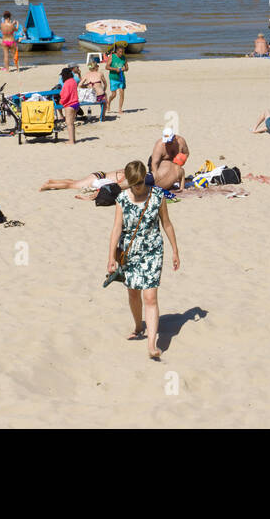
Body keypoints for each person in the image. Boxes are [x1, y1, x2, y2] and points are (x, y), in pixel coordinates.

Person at [105, 160, 180, 360]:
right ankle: (139, 326)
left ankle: (151, 344)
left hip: (153, 250)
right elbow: (116, 229)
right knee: (133, 294)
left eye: (141, 182)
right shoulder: (121, 199)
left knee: (150, 297)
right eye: (134, 183)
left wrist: (175, 250)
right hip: (129, 252)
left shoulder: (157, 196)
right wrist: (111, 257)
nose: (138, 187)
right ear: (129, 181)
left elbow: (167, 224)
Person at [58, 67, 80, 144]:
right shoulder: (73, 81)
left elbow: (66, 95)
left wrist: (61, 101)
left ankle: (71, 141)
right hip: (76, 103)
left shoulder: (67, 83)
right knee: (72, 123)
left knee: (69, 123)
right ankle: (73, 139)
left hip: (70, 104)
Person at [106, 43, 128, 113]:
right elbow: (107, 67)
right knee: (114, 94)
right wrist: (115, 69)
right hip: (113, 78)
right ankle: (108, 102)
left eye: (122, 52)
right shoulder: (112, 56)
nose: (121, 53)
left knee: (122, 93)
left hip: (121, 78)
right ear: (117, 51)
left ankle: (120, 109)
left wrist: (125, 69)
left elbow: (127, 68)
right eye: (120, 52)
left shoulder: (124, 58)